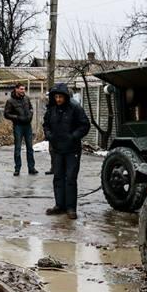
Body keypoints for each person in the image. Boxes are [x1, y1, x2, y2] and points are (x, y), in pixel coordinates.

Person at [42, 82, 90, 219]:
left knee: (70, 178)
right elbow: (46, 124)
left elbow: (85, 125)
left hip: (72, 149)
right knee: (58, 177)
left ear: (65, 97)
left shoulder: (75, 108)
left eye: (60, 97)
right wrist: (49, 135)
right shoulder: (51, 109)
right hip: (57, 149)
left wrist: (73, 136)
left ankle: (70, 208)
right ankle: (59, 205)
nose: (58, 100)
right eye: (56, 97)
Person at [3, 83, 37, 176]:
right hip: (18, 126)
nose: (23, 91)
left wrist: (30, 115)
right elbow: (6, 114)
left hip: (27, 126)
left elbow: (31, 108)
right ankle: (17, 169)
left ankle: (31, 168)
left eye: (24, 89)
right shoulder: (10, 101)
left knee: (30, 147)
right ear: (16, 89)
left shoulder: (26, 98)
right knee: (18, 148)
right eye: (21, 89)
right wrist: (17, 117)